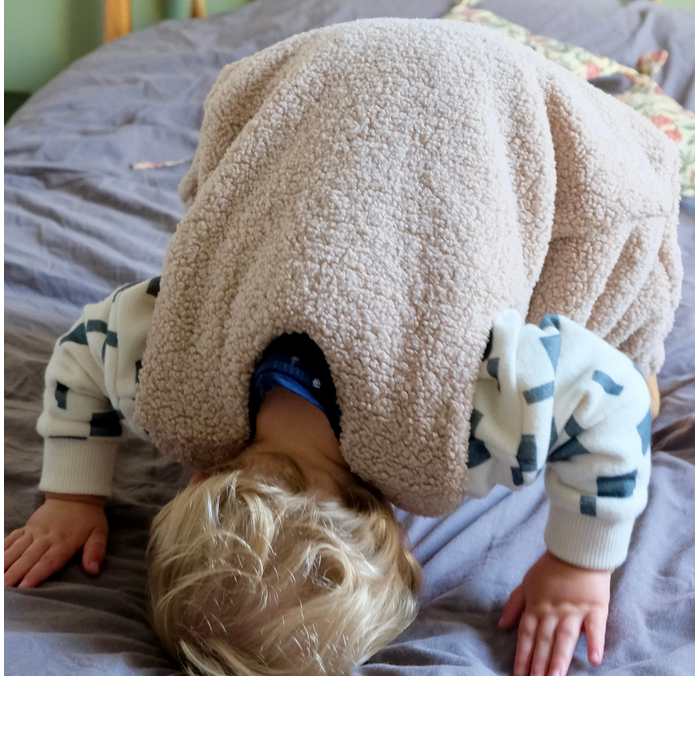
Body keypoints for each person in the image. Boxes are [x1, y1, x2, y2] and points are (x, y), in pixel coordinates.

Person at [4, 276, 652, 676]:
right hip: (305, 87)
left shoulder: (465, 422)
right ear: (199, 482)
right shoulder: (160, 375)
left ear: (397, 520)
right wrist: (73, 495)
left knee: (620, 336)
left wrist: (578, 565)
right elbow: (86, 344)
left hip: (465, 107)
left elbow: (615, 393)